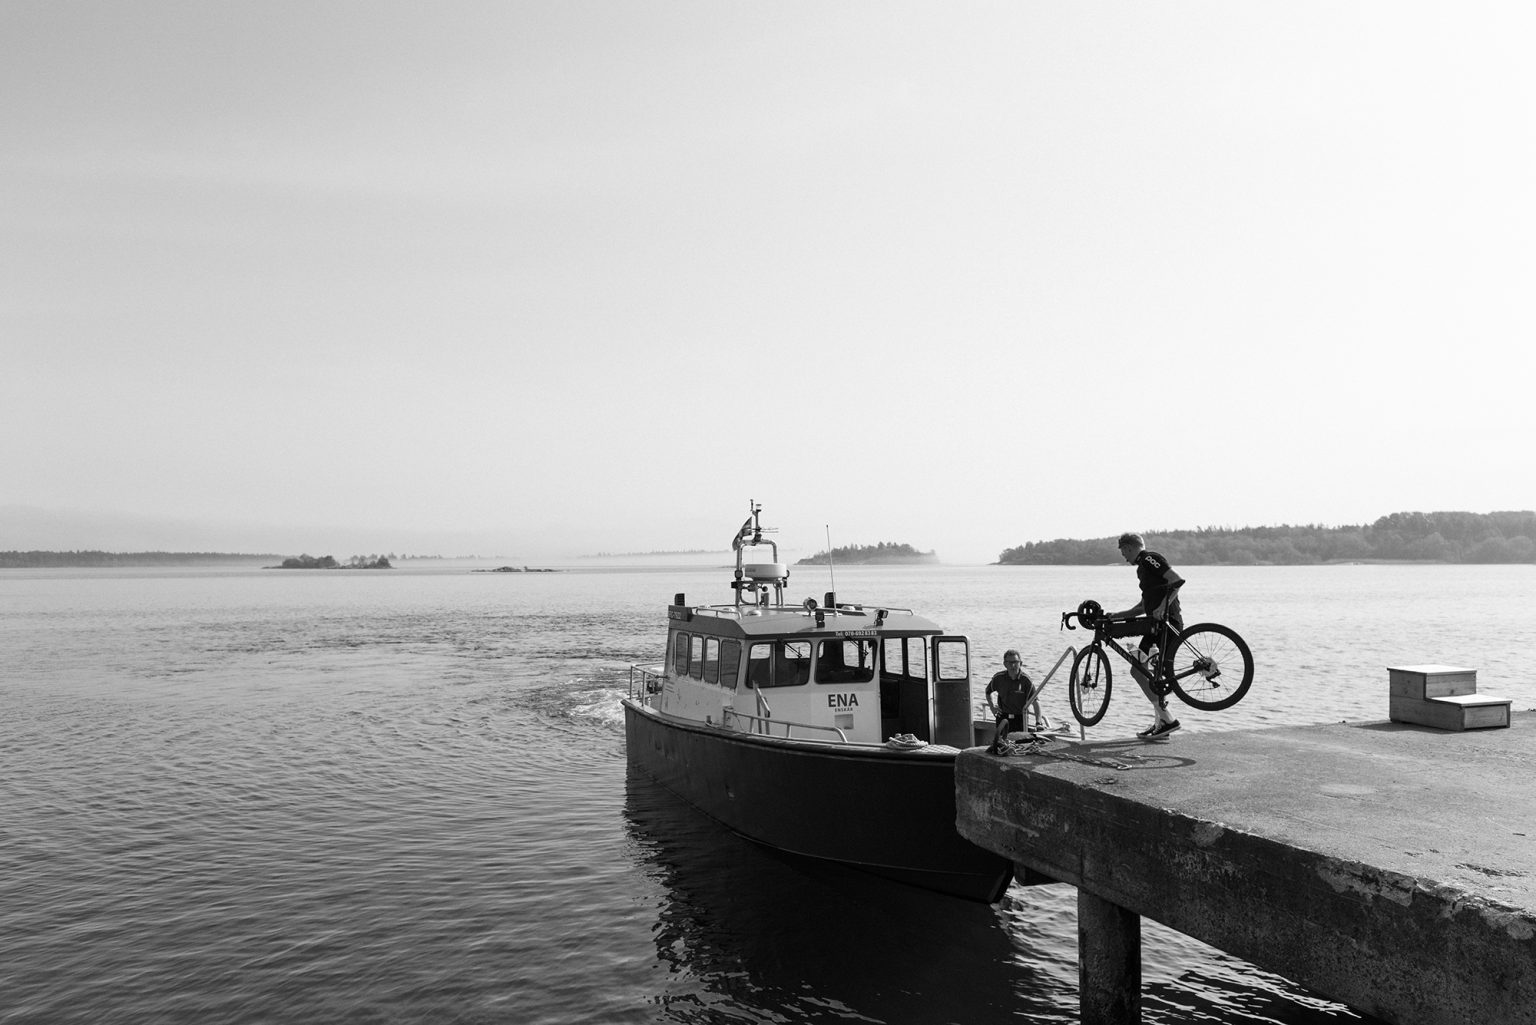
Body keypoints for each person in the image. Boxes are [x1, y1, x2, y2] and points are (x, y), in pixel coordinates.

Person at [1110, 533, 1185, 739]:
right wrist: (1116, 616)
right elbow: (1143, 607)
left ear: (1130, 547)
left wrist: (1162, 607)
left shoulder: (1149, 558)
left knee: (1139, 670)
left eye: (1123, 551)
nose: (1124, 556)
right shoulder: (1142, 569)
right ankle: (1162, 722)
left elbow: (1176, 581)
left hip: (1167, 625)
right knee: (1147, 674)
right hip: (1155, 626)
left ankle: (1168, 720)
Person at [985, 649, 1039, 744]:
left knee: (1020, 745)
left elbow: (1036, 702)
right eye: (1009, 662)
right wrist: (992, 707)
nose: (1012, 665)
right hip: (1003, 717)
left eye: (1015, 662)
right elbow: (988, 692)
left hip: (1020, 718)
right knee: (1001, 745)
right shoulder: (999, 678)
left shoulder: (1026, 681)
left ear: (1020, 663)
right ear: (1005, 664)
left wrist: (1038, 722)